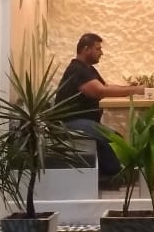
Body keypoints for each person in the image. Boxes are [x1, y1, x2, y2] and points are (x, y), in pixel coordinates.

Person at [55, 32, 144, 184]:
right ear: (86, 49)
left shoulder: (88, 69)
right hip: (69, 122)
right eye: (98, 49)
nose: (101, 53)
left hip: (80, 120)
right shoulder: (77, 69)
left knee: (114, 136)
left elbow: (106, 87)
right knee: (111, 139)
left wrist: (131, 88)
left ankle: (112, 174)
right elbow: (99, 91)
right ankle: (115, 176)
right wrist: (134, 90)